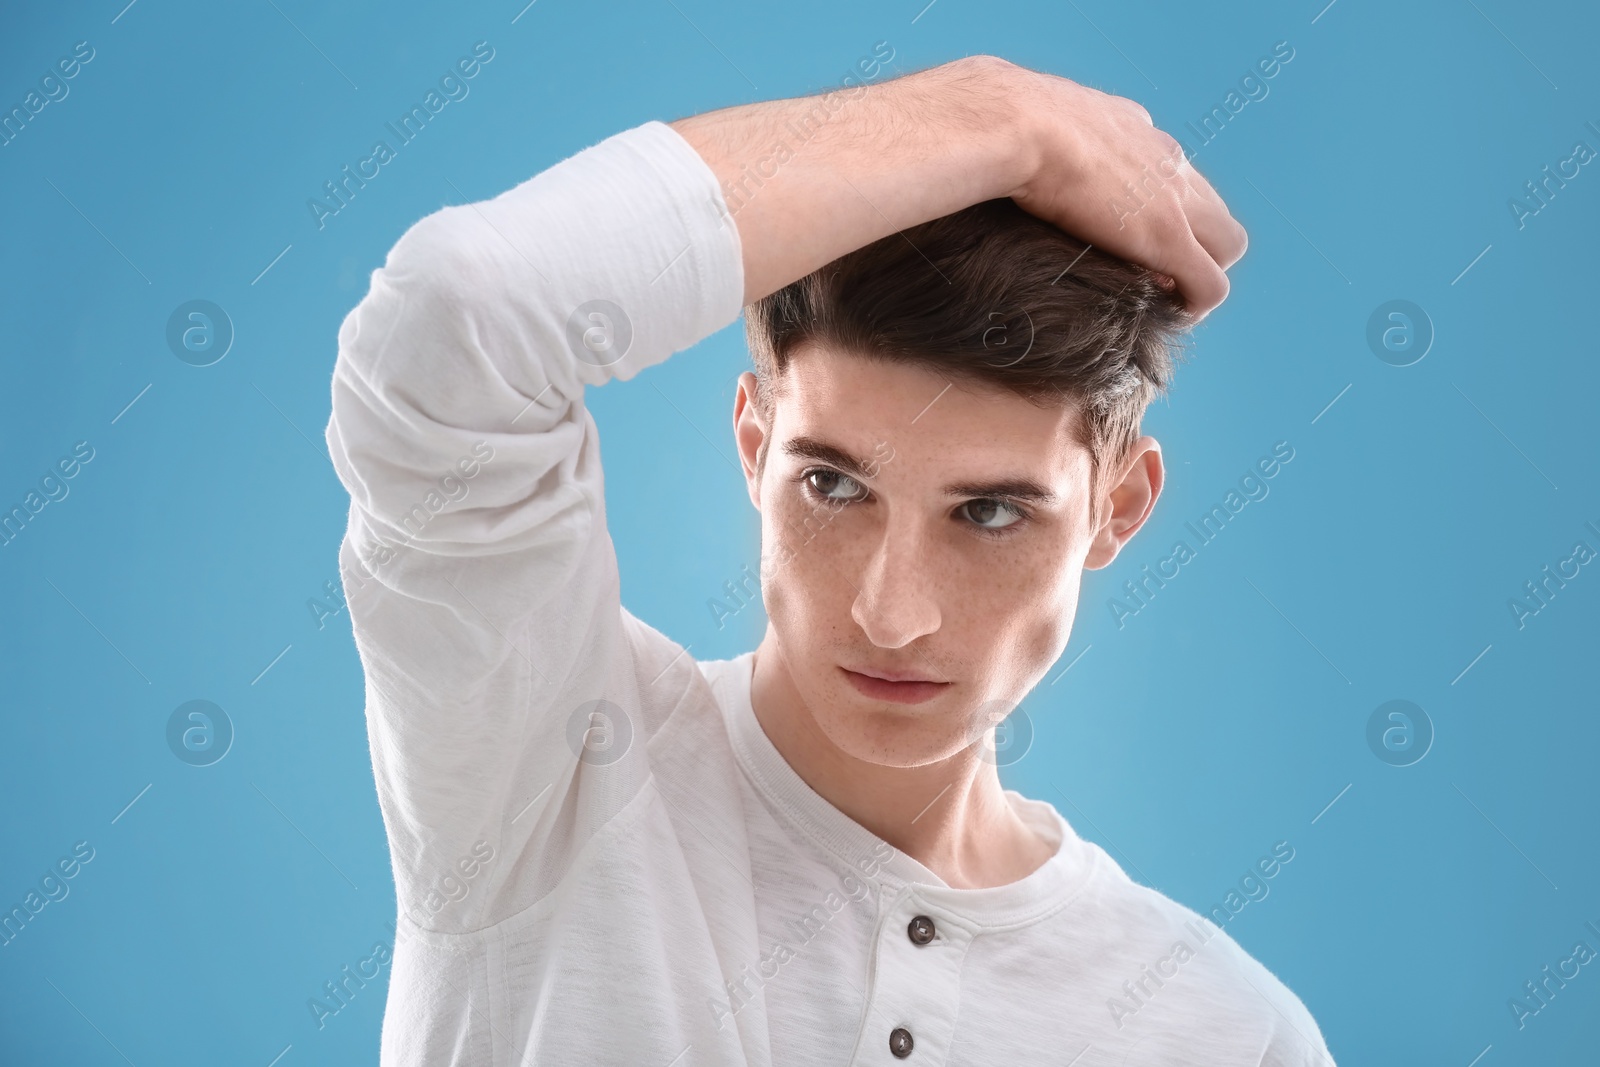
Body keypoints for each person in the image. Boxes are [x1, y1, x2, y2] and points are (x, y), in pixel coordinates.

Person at [324, 52, 1334, 1065]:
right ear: (755, 448)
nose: (891, 615)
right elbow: (459, 308)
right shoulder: (550, 772)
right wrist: (995, 116)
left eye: (987, 512)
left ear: (1118, 507)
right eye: (834, 486)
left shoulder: (1228, 1033)